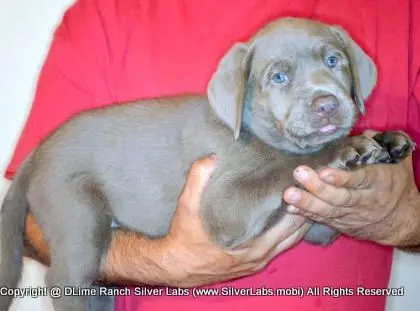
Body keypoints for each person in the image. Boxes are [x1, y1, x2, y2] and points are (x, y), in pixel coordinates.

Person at [5, 0, 420, 310]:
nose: (325, 97)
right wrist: (157, 262)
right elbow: (228, 225)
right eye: (279, 77)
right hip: (77, 173)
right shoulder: (104, 16)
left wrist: (403, 218)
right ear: (243, 96)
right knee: (78, 277)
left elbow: (320, 229)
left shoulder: (403, 14)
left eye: (333, 62)